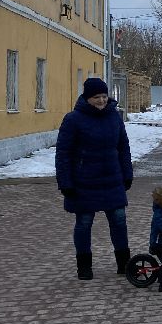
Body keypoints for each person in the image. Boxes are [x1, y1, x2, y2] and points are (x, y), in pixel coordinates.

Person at [55, 77, 133, 280]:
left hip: (112, 178)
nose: (101, 101)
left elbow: (123, 147)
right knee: (84, 223)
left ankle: (124, 263)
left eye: (104, 96)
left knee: (119, 220)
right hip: (84, 181)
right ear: (87, 98)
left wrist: (127, 173)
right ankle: (84, 266)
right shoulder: (73, 119)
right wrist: (65, 183)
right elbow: (63, 153)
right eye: (96, 97)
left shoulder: (114, 117)